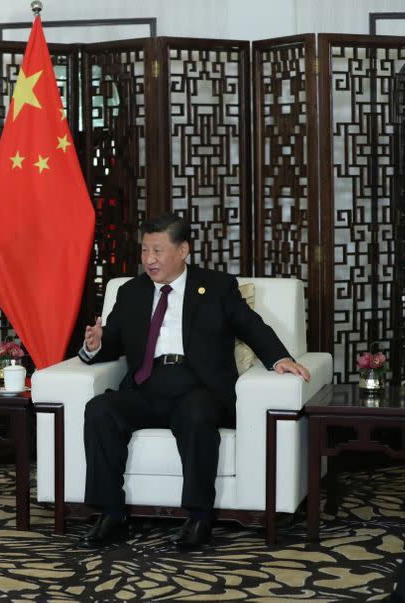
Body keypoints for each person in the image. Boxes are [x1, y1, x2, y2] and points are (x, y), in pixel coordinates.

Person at [77, 213, 311, 549]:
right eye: (144, 251)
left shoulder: (216, 287)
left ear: (183, 250)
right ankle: (111, 514)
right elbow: (111, 341)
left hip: (196, 386)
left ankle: (199, 517)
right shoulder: (131, 291)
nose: (149, 259)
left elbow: (251, 326)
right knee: (99, 409)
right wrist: (94, 344)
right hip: (145, 384)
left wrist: (280, 358)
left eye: (157, 250)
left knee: (197, 415)